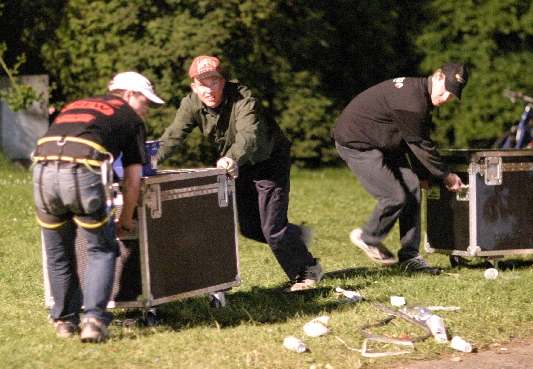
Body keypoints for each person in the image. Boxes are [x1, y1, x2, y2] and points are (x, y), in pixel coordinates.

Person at [157, 55, 323, 291]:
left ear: (222, 82)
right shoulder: (190, 104)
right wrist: (147, 161)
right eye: (202, 84)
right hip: (238, 165)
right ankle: (294, 236)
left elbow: (249, 135)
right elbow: (172, 137)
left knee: (272, 228)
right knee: (250, 228)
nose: (209, 90)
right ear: (194, 87)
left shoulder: (244, 98)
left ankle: (307, 271)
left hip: (268, 159)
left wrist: (231, 158)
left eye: (213, 82)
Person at [32, 71, 164, 342]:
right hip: (80, 171)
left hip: (41, 170)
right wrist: (125, 220)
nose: (147, 111)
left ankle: (64, 323)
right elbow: (132, 181)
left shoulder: (76, 105)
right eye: (146, 103)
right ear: (129, 95)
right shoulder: (130, 118)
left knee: (59, 254)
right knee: (103, 249)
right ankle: (93, 320)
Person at [331, 62, 468, 275]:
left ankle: (410, 256)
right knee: (394, 196)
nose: (445, 98)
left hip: (383, 143)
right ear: (438, 77)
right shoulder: (412, 101)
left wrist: (422, 175)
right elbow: (420, 143)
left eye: (452, 95)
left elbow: (412, 140)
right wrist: (446, 175)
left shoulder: (421, 95)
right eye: (445, 90)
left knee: (413, 187)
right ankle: (367, 237)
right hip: (357, 142)